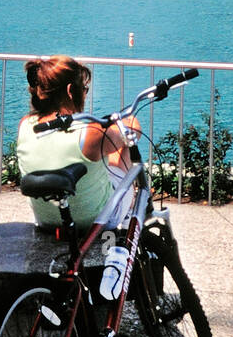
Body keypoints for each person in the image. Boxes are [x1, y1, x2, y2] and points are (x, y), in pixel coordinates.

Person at [17, 55, 140, 232]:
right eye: (84, 89)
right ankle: (128, 215)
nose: (84, 94)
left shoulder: (25, 125)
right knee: (123, 145)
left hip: (47, 221)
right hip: (95, 221)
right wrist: (128, 120)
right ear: (70, 91)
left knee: (102, 151)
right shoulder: (90, 133)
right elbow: (133, 130)